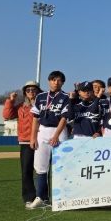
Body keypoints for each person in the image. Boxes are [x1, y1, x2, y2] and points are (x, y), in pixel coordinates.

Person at [29, 70, 71, 209]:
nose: (56, 82)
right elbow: (35, 118)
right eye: (53, 80)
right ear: (49, 81)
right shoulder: (41, 96)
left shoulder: (66, 97)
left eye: (59, 80)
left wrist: (56, 135)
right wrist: (33, 137)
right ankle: (41, 197)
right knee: (40, 166)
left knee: (61, 165)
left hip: (59, 131)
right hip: (43, 131)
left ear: (62, 83)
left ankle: (63, 197)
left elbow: (64, 118)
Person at [3, 80, 42, 208]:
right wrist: (10, 101)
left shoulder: (43, 104)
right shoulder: (21, 106)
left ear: (38, 91)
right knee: (26, 170)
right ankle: (29, 198)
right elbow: (7, 115)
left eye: (34, 90)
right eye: (28, 90)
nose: (31, 92)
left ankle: (44, 196)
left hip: (42, 140)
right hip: (26, 141)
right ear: (25, 92)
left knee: (43, 171)